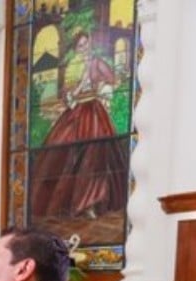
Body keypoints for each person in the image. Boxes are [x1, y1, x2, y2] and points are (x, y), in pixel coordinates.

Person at [30, 30, 128, 222]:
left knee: (96, 155)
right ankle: (67, 205)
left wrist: (101, 87)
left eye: (86, 44)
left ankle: (91, 203)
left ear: (90, 43)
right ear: (76, 49)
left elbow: (113, 80)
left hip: (94, 111)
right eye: (80, 46)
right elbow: (67, 93)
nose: (84, 49)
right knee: (62, 152)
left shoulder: (97, 62)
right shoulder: (73, 67)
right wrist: (78, 85)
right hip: (75, 112)